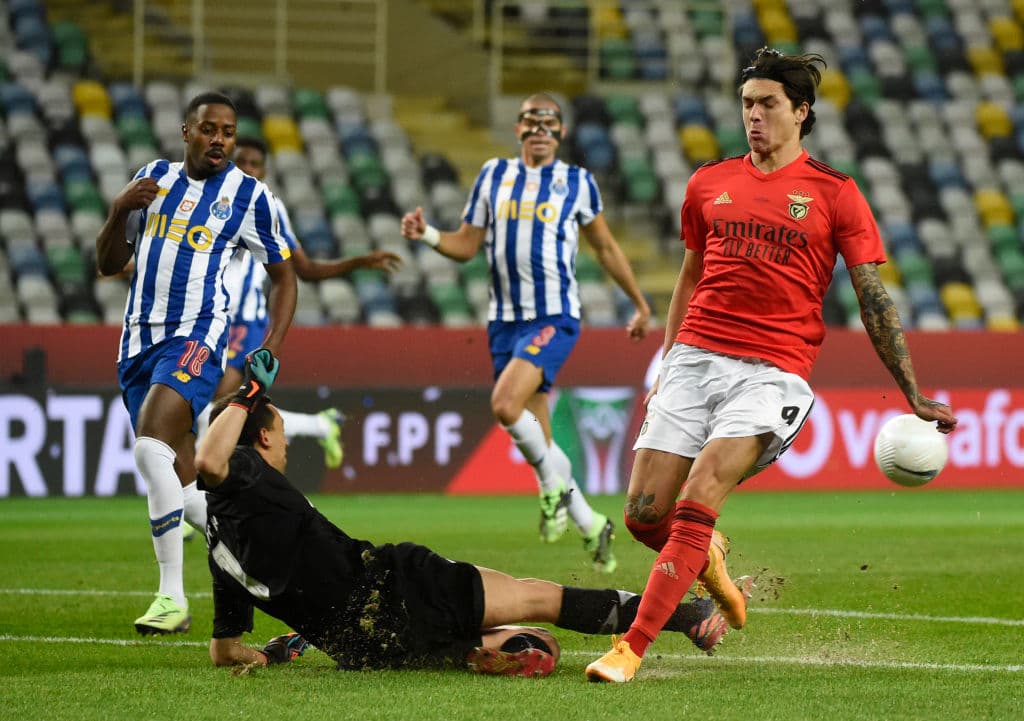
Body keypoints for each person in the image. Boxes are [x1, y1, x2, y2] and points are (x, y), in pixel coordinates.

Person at [585, 48, 959, 683]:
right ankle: (716, 564)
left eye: (767, 105)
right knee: (645, 515)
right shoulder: (708, 183)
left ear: (801, 112)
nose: (753, 116)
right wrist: (668, 364)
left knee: (702, 492)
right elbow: (690, 276)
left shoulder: (835, 193)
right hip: (694, 357)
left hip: (772, 371)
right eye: (746, 104)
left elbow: (873, 298)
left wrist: (913, 393)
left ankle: (631, 649)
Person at [195, 350, 744, 676]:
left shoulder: (220, 545)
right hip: (391, 585)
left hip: (359, 646)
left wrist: (275, 650)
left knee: (533, 645)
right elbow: (211, 461)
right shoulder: (245, 471)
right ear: (262, 437)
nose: (288, 448)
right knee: (539, 599)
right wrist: (249, 389)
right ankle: (687, 616)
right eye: (283, 435)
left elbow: (225, 652)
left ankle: (484, 650)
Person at [401, 93, 652, 574]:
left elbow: (605, 247)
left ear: (560, 132)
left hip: (553, 316)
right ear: (517, 129)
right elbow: (467, 243)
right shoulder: (493, 176)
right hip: (504, 322)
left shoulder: (576, 183)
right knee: (540, 436)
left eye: (549, 122)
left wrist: (640, 303)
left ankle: (551, 488)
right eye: (531, 121)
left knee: (504, 404)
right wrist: (429, 235)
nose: (539, 128)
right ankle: (591, 523)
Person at [95, 92, 298, 636]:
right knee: (184, 490)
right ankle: (278, 559)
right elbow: (108, 263)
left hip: (197, 337)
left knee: (148, 447)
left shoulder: (249, 196)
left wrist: (271, 345)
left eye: (228, 132)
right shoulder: (153, 179)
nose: (219, 140)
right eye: (209, 129)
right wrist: (120, 210)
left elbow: (285, 276)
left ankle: (170, 597)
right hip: (136, 343)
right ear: (187, 131)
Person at [194, 136, 401, 471]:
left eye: (255, 164)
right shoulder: (205, 200)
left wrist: (358, 262)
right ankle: (319, 425)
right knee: (215, 408)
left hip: (245, 321)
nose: (248, 169)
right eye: (241, 161)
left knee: (217, 405)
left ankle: (202, 504)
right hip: (204, 320)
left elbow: (303, 269)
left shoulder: (269, 208)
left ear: (264, 170)